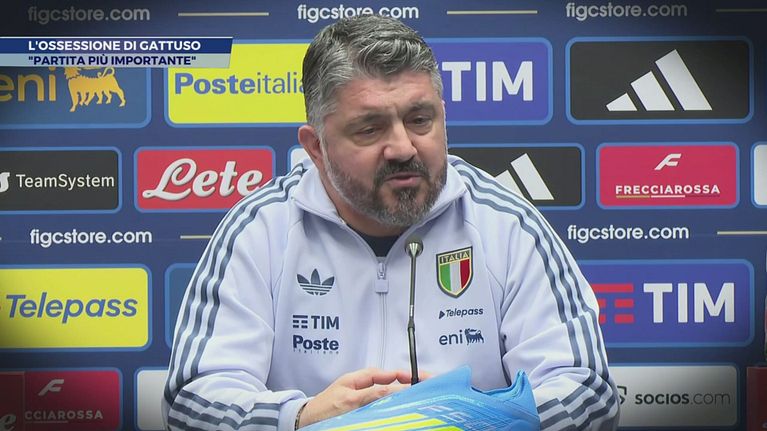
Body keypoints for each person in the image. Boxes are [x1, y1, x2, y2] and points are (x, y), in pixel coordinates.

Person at [164, 14, 619, 431]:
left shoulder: (506, 225)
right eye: (370, 128)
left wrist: (463, 419)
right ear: (316, 147)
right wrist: (301, 419)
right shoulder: (260, 230)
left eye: (420, 120)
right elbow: (193, 401)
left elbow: (586, 392)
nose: (403, 147)